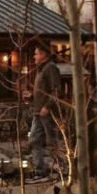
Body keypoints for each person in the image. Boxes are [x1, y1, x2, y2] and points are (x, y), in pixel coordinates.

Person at [24, 42, 61, 181]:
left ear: (43, 55)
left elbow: (56, 90)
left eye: (36, 53)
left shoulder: (51, 68)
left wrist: (48, 106)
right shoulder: (40, 69)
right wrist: (31, 97)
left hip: (47, 112)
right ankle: (40, 172)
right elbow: (43, 91)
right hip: (37, 112)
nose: (34, 56)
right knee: (34, 140)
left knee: (53, 141)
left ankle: (61, 170)